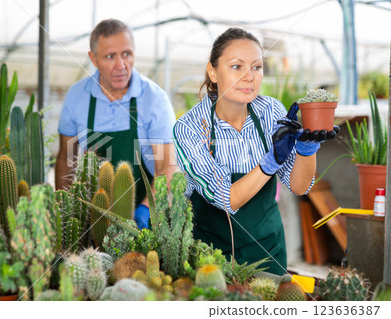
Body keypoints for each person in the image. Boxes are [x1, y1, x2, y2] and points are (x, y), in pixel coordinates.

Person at [173, 28, 339, 275]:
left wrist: (306, 150)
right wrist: (269, 163)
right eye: (237, 67)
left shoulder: (271, 111)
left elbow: (299, 186)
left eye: (257, 67)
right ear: (213, 72)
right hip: (212, 259)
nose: (249, 77)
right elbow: (227, 199)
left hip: (268, 250)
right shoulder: (190, 127)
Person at [56, 19, 176, 229]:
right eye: (110, 56)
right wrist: (65, 214)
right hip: (90, 218)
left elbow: (166, 167)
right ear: (93, 58)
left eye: (127, 54)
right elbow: (66, 159)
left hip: (145, 217)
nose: (121, 66)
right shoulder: (77, 96)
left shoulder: (154, 99)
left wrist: (146, 211)